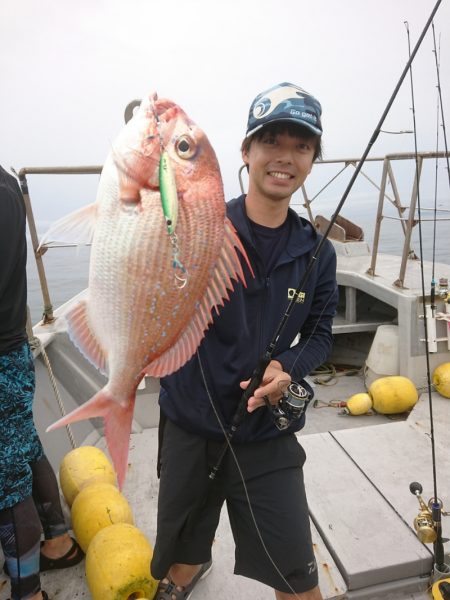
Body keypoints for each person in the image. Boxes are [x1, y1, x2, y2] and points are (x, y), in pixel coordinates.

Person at [150, 82, 338, 600]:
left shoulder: (317, 253)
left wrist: (287, 366)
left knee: (299, 584)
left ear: (313, 158)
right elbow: (156, 283)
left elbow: (320, 335)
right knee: (183, 558)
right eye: (271, 141)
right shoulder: (197, 225)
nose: (285, 157)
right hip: (192, 422)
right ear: (246, 151)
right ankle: (183, 575)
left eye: (301, 146)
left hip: (265, 434)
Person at [0, 166, 84, 600]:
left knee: (6, 480)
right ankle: (57, 541)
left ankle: (27, 590)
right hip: (11, 348)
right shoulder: (8, 182)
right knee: (22, 449)